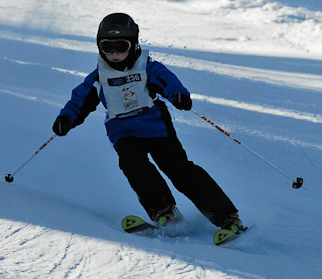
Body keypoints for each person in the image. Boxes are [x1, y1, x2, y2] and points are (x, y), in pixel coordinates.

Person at [52, 13, 244, 233]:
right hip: (123, 132)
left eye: (121, 46)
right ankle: (164, 212)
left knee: (179, 170)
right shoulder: (98, 79)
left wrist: (178, 95)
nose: (114, 54)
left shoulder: (147, 68)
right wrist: (66, 118)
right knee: (134, 166)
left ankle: (227, 217)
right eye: (107, 47)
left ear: (134, 44)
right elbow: (79, 101)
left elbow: (168, 81)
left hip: (156, 127)